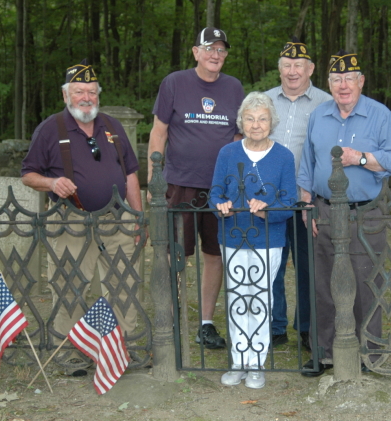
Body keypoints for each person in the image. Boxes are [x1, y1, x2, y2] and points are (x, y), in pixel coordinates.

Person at [21, 59, 143, 376]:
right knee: (69, 285)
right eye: (79, 91)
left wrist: (137, 217)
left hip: (116, 220)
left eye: (91, 91)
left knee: (123, 284)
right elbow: (27, 174)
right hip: (69, 220)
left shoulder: (113, 127)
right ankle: (70, 352)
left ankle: (121, 349)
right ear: (66, 96)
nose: (86, 97)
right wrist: (51, 183)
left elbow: (130, 174)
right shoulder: (50, 129)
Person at [297, 51, 391, 376]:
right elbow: (306, 165)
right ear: (328, 84)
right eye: (336, 80)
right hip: (325, 210)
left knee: (365, 282)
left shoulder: (379, 114)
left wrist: (360, 158)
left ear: (360, 81)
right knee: (323, 283)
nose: (343, 85)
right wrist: (306, 206)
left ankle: (368, 352)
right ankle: (325, 352)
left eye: (349, 79)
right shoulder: (319, 115)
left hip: (365, 212)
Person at [148, 27, 244, 349]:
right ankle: (170, 320)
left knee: (214, 255)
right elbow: (158, 132)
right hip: (179, 183)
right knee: (176, 254)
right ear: (196, 52)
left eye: (221, 50)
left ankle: (205, 324)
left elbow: (237, 137)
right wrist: (154, 180)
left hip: (220, 189)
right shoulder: (174, 83)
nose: (215, 55)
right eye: (209, 48)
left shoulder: (234, 88)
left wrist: (235, 181)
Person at [210, 92, 297, 388]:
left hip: (267, 239)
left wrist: (266, 211)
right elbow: (215, 193)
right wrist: (220, 206)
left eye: (262, 119)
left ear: (271, 122)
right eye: (250, 119)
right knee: (236, 297)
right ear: (241, 122)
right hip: (232, 236)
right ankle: (238, 360)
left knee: (260, 297)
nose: (256, 125)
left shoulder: (284, 156)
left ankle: (257, 361)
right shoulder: (228, 153)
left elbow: (289, 201)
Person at [265, 37, 332, 349]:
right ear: (280, 70)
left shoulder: (326, 103)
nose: (293, 72)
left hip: (308, 197)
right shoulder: (262, 101)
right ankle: (274, 326)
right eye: (287, 66)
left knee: (308, 266)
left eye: (298, 66)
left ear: (311, 69)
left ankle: (307, 326)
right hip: (269, 197)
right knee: (271, 264)